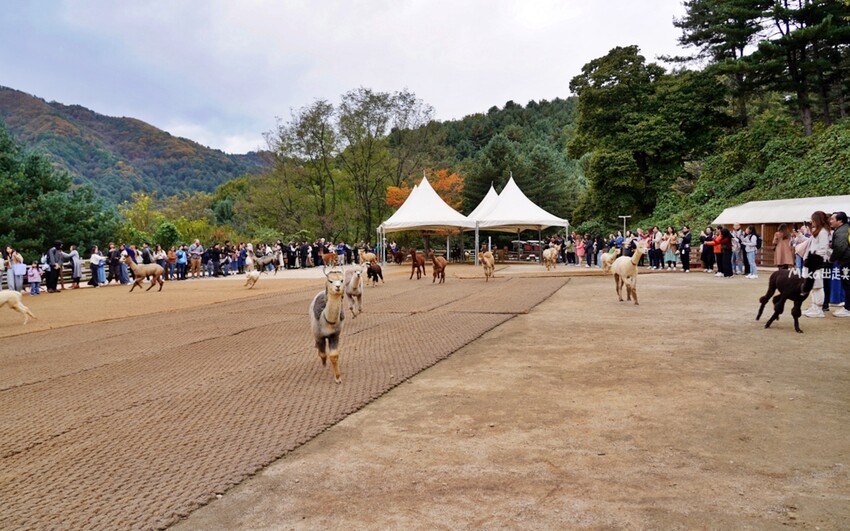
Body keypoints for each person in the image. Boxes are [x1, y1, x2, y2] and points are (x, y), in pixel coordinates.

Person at [801, 212, 832, 318]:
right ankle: (814, 306)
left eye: (813, 220)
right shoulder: (819, 231)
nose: (811, 221)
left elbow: (823, 249)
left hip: (816, 262)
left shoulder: (823, 232)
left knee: (818, 286)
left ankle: (818, 309)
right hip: (812, 261)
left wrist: (814, 259)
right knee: (813, 286)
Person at [828, 211, 850, 317]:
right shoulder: (844, 229)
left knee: (847, 284)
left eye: (832, 219)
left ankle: (848, 308)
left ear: (840, 221)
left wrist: (831, 259)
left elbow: (841, 247)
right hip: (846, 260)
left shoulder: (842, 231)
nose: (830, 221)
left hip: (847, 261)